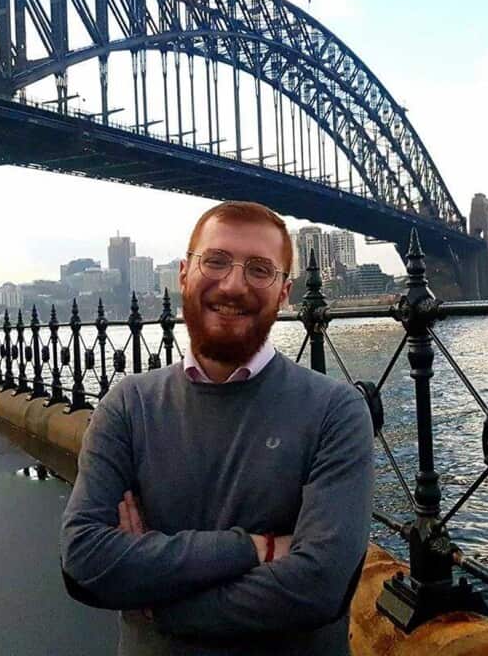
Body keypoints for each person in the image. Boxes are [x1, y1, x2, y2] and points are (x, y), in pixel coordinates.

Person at [60, 201, 375, 655]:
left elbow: (318, 585)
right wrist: (256, 549)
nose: (233, 285)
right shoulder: (128, 405)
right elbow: (86, 560)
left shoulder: (336, 410)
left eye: (260, 269)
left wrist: (157, 602)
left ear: (284, 292)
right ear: (184, 273)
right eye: (217, 261)